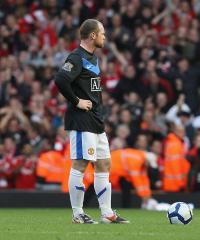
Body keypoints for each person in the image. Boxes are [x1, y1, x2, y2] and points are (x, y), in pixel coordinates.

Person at [55, 19, 129, 224]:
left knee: (104, 163)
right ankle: (77, 213)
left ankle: (107, 213)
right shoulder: (76, 57)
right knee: (80, 164)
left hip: (96, 119)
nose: (105, 36)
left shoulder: (92, 58)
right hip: (81, 121)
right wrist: (77, 101)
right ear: (93, 35)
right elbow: (60, 79)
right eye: (102, 33)